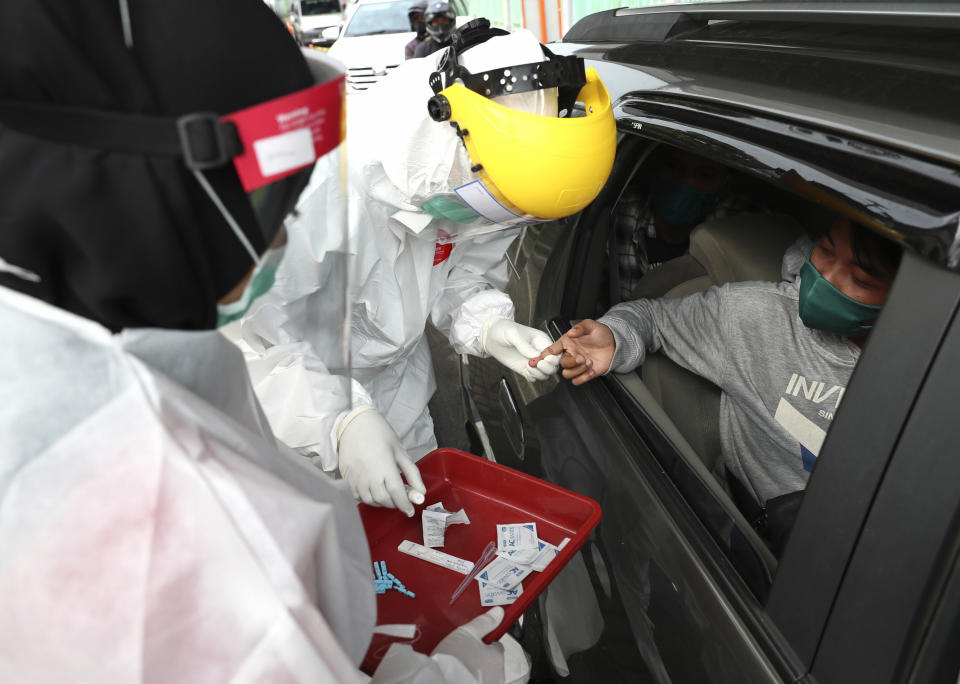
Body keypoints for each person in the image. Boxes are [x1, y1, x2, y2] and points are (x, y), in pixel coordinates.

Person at [0, 2, 527, 681]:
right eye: (267, 211)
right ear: (158, 208)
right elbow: (266, 345)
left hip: (384, 412)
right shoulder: (175, 519)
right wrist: (452, 676)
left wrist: (486, 320)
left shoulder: (65, 335)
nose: (278, 238)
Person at [231, 23, 616, 514]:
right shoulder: (313, 181)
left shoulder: (480, 172)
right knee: (319, 565)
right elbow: (242, 347)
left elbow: (461, 272)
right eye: (491, 201)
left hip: (401, 396)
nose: (492, 218)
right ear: (442, 128)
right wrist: (339, 421)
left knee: (413, 548)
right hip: (288, 420)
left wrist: (489, 324)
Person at [535, 216, 901, 521]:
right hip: (782, 531)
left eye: (861, 279)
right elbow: (652, 319)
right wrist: (617, 336)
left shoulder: (925, 362)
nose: (825, 278)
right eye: (825, 250)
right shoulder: (756, 317)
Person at [614, 145, 761, 299]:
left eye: (704, 175)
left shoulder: (742, 229)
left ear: (724, 183)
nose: (685, 181)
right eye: (673, 166)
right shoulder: (617, 211)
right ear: (656, 167)